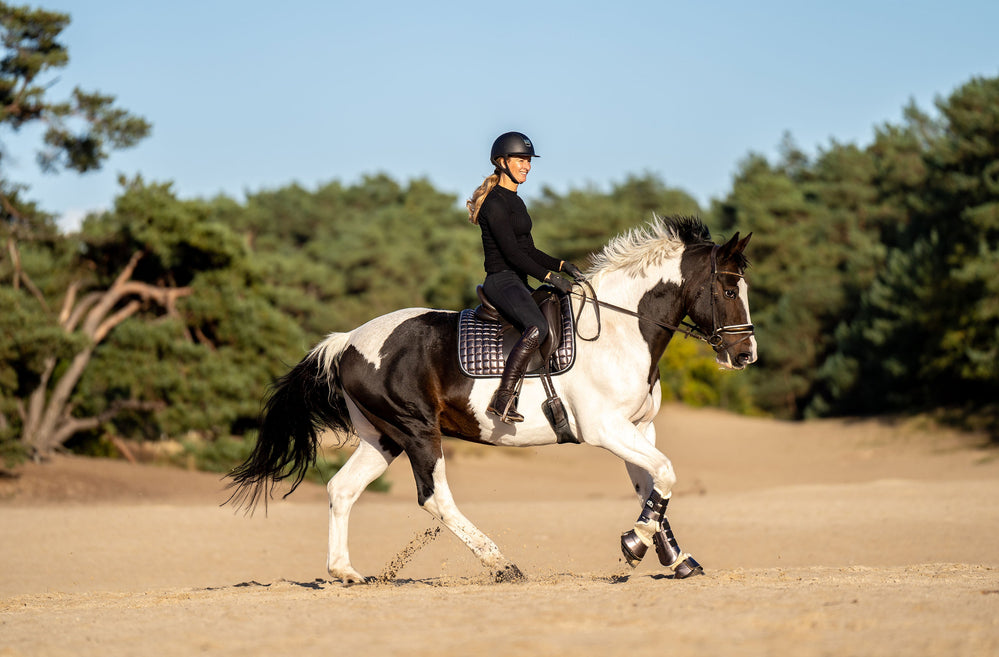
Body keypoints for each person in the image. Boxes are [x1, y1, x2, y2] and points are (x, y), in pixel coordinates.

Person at [466, 131, 585, 423]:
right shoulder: (494, 203)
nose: (527, 166)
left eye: (529, 160)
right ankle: (503, 397)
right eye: (521, 159)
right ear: (502, 162)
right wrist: (549, 276)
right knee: (537, 327)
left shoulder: (516, 201)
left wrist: (562, 265)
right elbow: (511, 253)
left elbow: (528, 249)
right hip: (501, 280)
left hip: (518, 280)